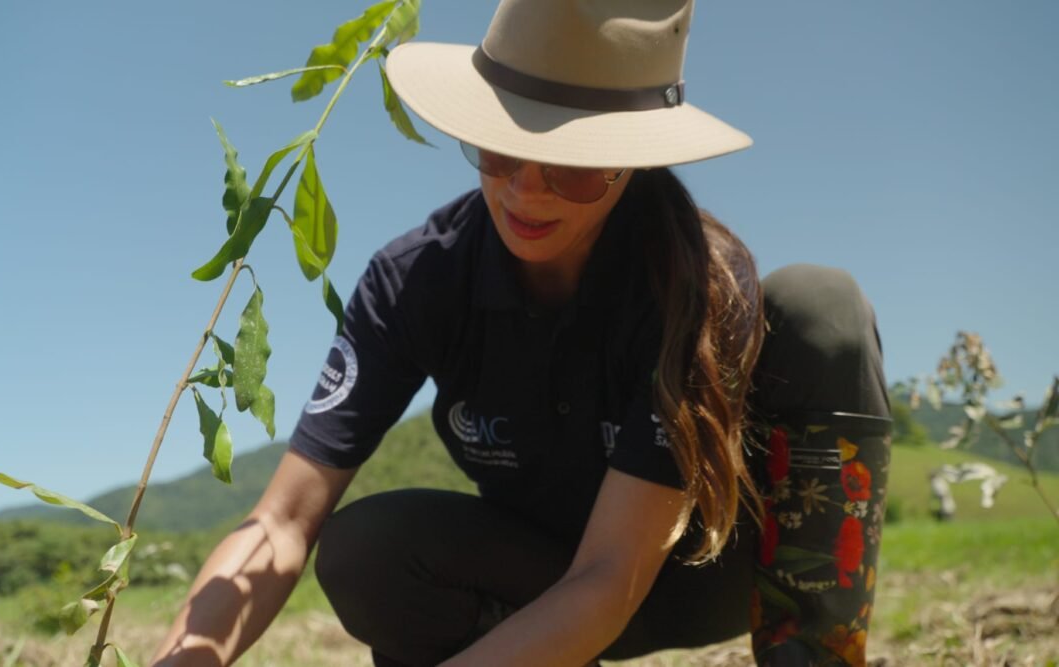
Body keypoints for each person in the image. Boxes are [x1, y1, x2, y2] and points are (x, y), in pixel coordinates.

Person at [151, 0, 892, 665]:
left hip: (705, 574)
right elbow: (281, 520)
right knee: (366, 551)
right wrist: (186, 657)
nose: (525, 190)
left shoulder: (702, 283)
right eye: (500, 147)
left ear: (629, 160)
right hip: (541, 587)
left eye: (570, 167)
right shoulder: (416, 281)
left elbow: (612, 575)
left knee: (819, 302)